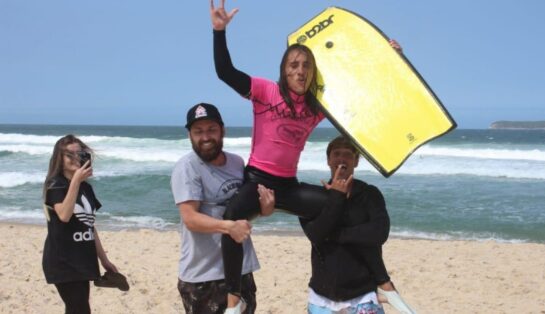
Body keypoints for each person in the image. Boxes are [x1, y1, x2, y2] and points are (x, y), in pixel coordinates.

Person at [210, 1, 403, 311]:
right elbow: (225, 72)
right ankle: (234, 301)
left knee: (343, 208)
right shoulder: (264, 92)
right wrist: (219, 32)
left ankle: (383, 283)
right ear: (284, 71)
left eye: (306, 66)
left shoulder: (316, 107)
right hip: (258, 182)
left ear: (313, 73)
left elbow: (359, 90)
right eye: (293, 65)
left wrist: (388, 59)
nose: (300, 71)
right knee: (232, 217)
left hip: (288, 185)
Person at [170, 102, 275, 314]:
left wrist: (265, 210)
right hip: (203, 276)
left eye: (211, 129)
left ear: (222, 130)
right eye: (198, 131)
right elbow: (190, 218)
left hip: (239, 271)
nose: (205, 137)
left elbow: (242, 211)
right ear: (190, 135)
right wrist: (228, 228)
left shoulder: (237, 163)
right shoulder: (187, 167)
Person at [299, 136, 416, 314]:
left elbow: (379, 233)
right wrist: (336, 198)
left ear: (356, 161)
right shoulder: (315, 198)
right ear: (328, 160)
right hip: (322, 295)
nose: (341, 158)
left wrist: (335, 235)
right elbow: (315, 235)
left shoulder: (369, 194)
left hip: (363, 293)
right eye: (336, 154)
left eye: (347, 154)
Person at [42, 134, 119, 314]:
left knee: (78, 308)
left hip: (83, 258)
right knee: (80, 309)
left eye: (80, 153)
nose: (76, 158)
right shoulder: (55, 185)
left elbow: (90, 226)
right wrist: (76, 180)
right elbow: (64, 215)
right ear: (59, 159)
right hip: (62, 260)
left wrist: (104, 260)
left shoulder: (86, 188)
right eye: (70, 155)